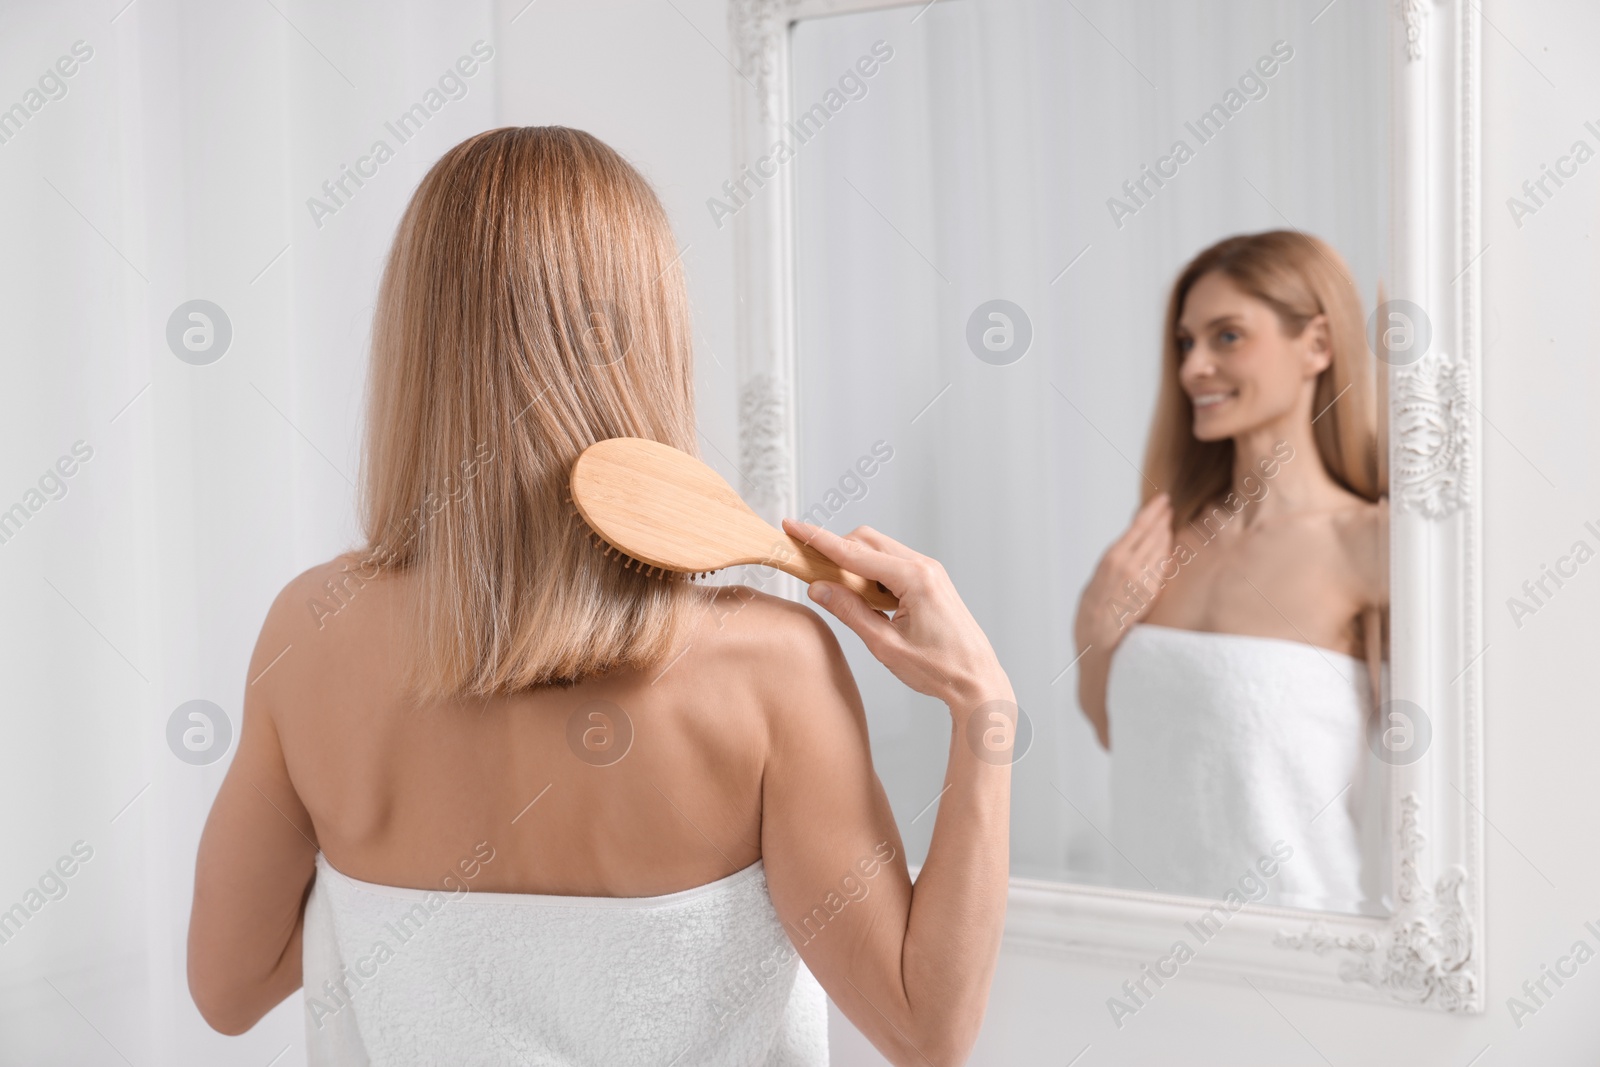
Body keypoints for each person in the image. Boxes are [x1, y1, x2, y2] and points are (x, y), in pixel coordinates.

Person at [185, 126, 1014, 1066]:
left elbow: (229, 987)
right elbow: (927, 1030)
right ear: (648, 341)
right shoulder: (769, 671)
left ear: (419, 345)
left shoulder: (311, 636)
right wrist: (983, 705)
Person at [1073, 231, 1385, 910]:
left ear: (1318, 345)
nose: (1193, 368)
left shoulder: (1370, 542)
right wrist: (1095, 630)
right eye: (1186, 343)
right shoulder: (1159, 542)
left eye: (1227, 337)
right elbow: (1122, 733)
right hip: (1146, 949)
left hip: (1305, 961)